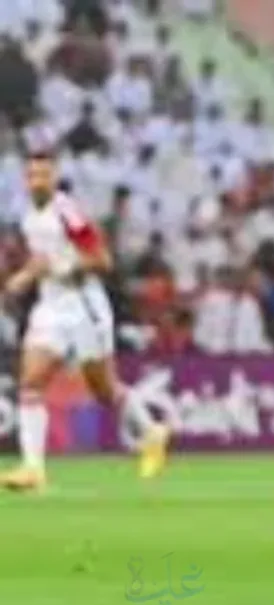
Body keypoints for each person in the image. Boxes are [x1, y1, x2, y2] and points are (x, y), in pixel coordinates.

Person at [0, 152, 170, 491]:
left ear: (54, 177)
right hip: (50, 306)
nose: (37, 182)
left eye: (44, 175)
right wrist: (24, 277)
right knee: (31, 382)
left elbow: (102, 260)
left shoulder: (68, 212)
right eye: (32, 176)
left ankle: (151, 431)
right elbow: (42, 258)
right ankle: (33, 469)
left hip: (84, 307)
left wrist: (61, 268)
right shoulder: (29, 216)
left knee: (104, 390)